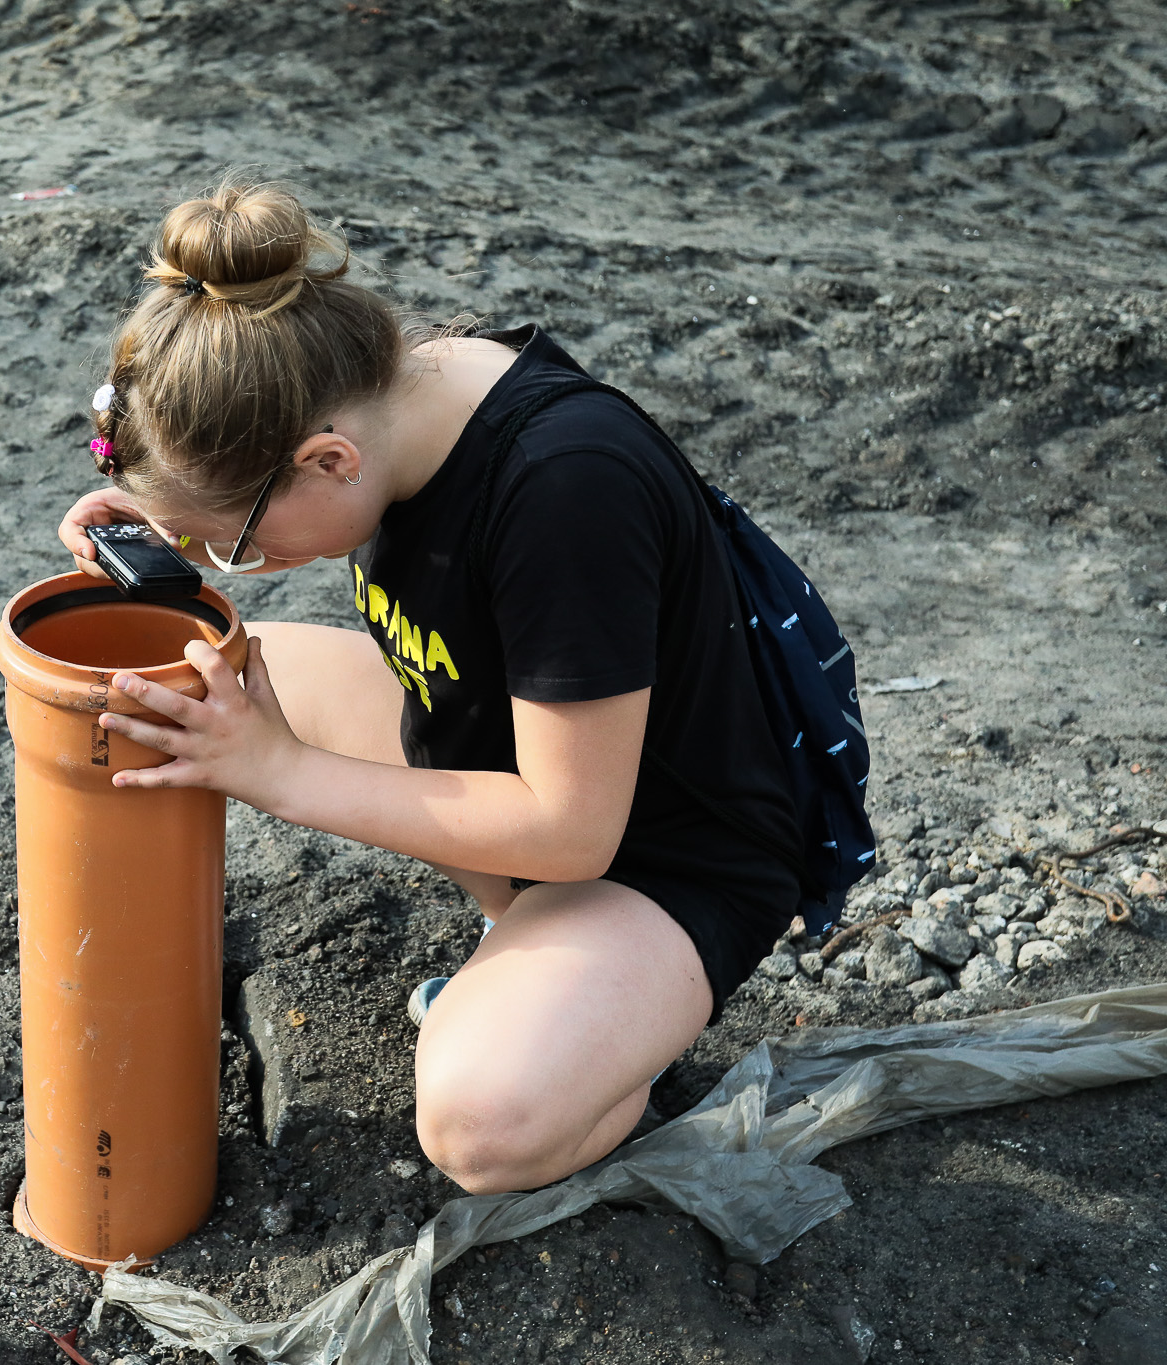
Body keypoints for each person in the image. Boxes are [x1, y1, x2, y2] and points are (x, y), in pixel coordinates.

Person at [56, 176, 803, 1196]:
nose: (237, 560)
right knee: (173, 691)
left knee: (481, 1131)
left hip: (656, 846)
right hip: (500, 741)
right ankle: (531, 950)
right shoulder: (398, 392)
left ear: (328, 458)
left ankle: (611, 1044)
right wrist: (162, 540)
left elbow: (572, 831)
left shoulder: (562, 487)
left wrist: (283, 772)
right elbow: (287, 533)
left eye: (233, 541)